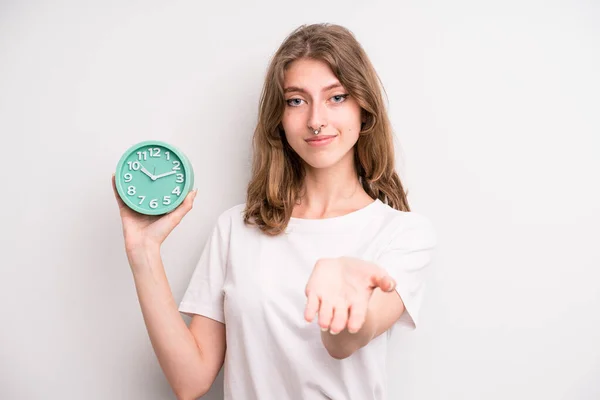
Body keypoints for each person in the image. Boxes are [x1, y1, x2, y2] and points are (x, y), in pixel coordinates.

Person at [112, 23, 437, 400]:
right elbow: (191, 380)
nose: (316, 120)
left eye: (337, 97)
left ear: (363, 109)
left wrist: (339, 291)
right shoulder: (236, 228)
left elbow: (345, 343)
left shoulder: (403, 234)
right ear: (279, 120)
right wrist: (143, 253)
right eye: (296, 100)